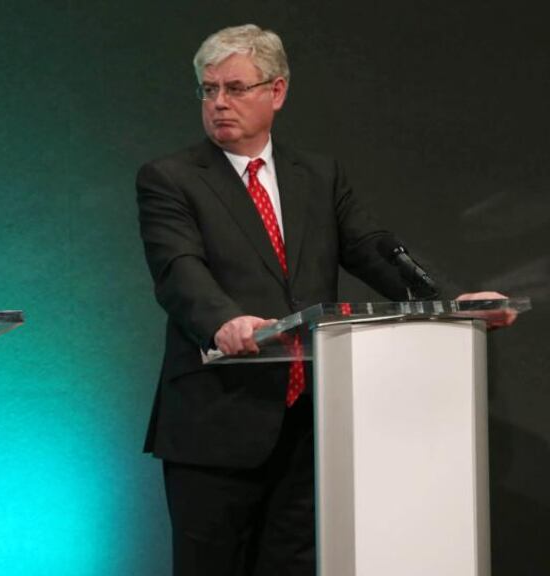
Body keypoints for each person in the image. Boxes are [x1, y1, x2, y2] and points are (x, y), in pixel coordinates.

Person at [136, 23, 512, 576]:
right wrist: (225, 322)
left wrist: (448, 303)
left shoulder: (317, 175)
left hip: (309, 422)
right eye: (208, 89)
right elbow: (177, 271)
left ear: (277, 91)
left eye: (235, 88)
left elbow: (374, 250)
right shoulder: (170, 179)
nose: (219, 103)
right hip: (217, 422)